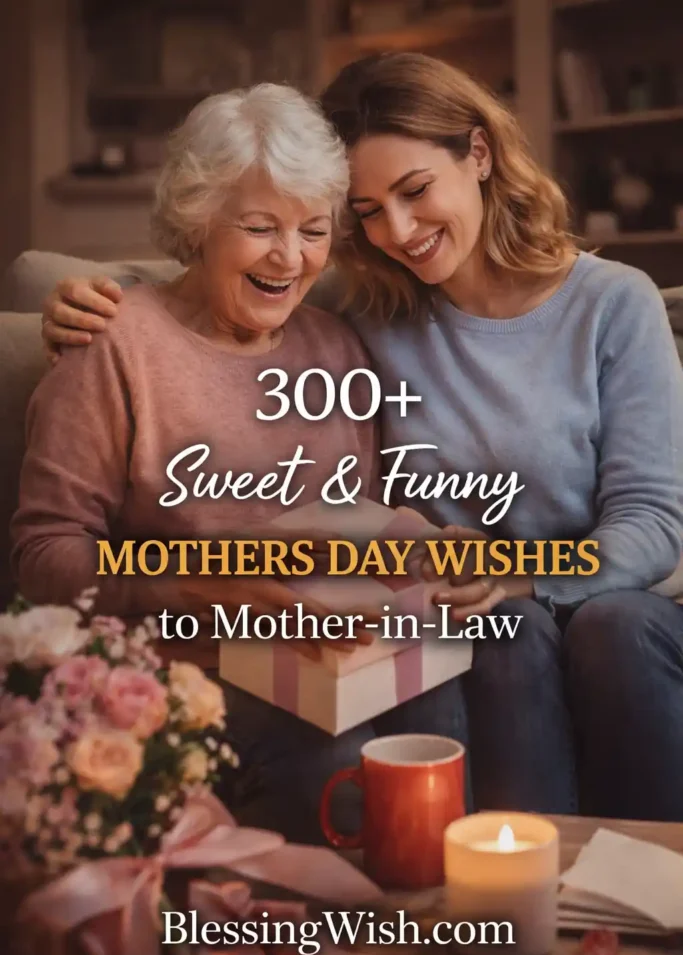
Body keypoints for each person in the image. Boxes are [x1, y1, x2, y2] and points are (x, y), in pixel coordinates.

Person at [40, 54, 683, 823]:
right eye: (369, 211)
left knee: (553, 631)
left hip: (540, 599)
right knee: (485, 643)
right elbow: (210, 289)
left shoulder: (591, 306)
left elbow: (649, 521)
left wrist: (503, 574)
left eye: (319, 229)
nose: (397, 232)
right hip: (332, 634)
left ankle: (595, 886)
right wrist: (89, 300)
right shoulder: (361, 311)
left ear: (477, 154)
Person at [11, 83, 469, 844]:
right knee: (339, 758)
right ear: (198, 222)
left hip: (337, 652)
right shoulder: (113, 345)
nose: (290, 258)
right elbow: (43, 555)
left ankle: (445, 933)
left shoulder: (335, 347)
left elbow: (362, 515)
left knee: (443, 712)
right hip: (193, 676)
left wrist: (420, 538)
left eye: (312, 230)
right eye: (260, 228)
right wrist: (197, 583)